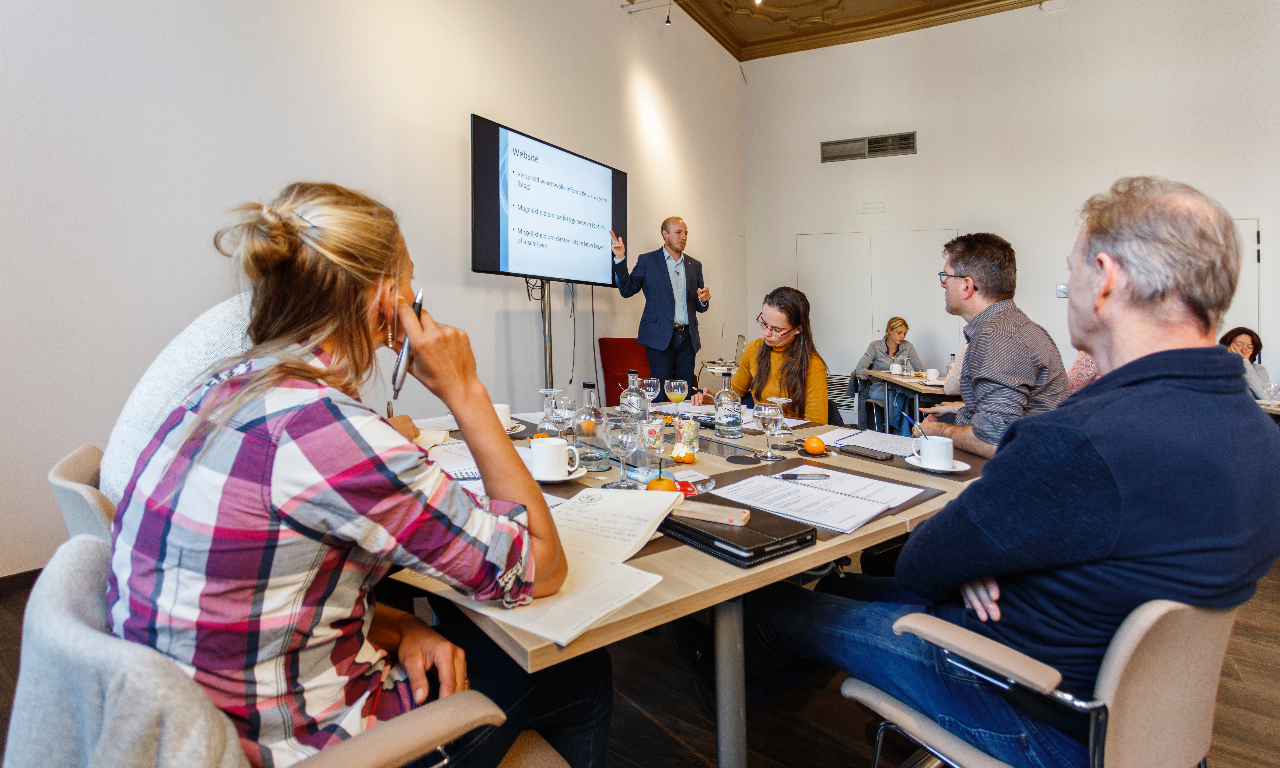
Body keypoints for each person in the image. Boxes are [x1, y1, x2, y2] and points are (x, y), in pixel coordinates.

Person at [732, 177, 1280, 768]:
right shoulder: (1261, 441)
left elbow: (921, 563)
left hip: (1022, 704)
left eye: (1072, 272)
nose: (1067, 290)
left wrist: (981, 558)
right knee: (842, 586)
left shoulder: (1078, 440)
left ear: (1107, 279)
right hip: (1140, 731)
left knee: (764, 607)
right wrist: (991, 556)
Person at [107, 183, 611, 768]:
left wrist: (397, 627)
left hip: (188, 731)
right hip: (302, 748)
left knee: (445, 625)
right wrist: (465, 390)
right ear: (384, 300)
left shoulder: (219, 387)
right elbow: (541, 565)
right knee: (580, 669)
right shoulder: (327, 433)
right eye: (411, 288)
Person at [918, 233, 1068, 458]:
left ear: (967, 286)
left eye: (946, 276)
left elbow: (993, 441)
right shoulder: (1017, 326)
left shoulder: (997, 337)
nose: (942, 283)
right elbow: (1005, 414)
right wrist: (956, 410)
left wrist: (935, 430)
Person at [692, 287, 827, 423]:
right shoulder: (754, 350)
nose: (766, 333)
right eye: (764, 323)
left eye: (776, 329)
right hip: (760, 430)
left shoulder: (812, 364)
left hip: (790, 437)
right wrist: (711, 398)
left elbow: (817, 425)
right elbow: (736, 391)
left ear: (798, 329)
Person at [609, 217, 710, 398]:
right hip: (659, 336)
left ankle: (683, 427)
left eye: (686, 233)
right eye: (678, 232)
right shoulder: (648, 261)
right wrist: (620, 258)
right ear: (665, 234)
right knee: (661, 394)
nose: (683, 237)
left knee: (684, 394)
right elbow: (626, 290)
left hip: (688, 337)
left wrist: (703, 299)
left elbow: (700, 306)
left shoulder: (694, 265)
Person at [850, 317, 924, 435]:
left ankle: (890, 429)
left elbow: (921, 370)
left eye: (904, 333)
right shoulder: (875, 346)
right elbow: (860, 368)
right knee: (898, 395)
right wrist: (879, 376)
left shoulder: (908, 346)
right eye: (899, 333)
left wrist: (914, 375)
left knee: (900, 394)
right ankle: (900, 434)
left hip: (899, 388)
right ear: (889, 331)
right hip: (878, 387)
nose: (902, 337)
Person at [1220, 326, 1271, 399]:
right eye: (1239, 345)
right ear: (1227, 346)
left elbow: (1267, 397)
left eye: (1250, 347)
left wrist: (1245, 363)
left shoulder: (1259, 369)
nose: (1244, 350)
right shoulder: (1216, 367)